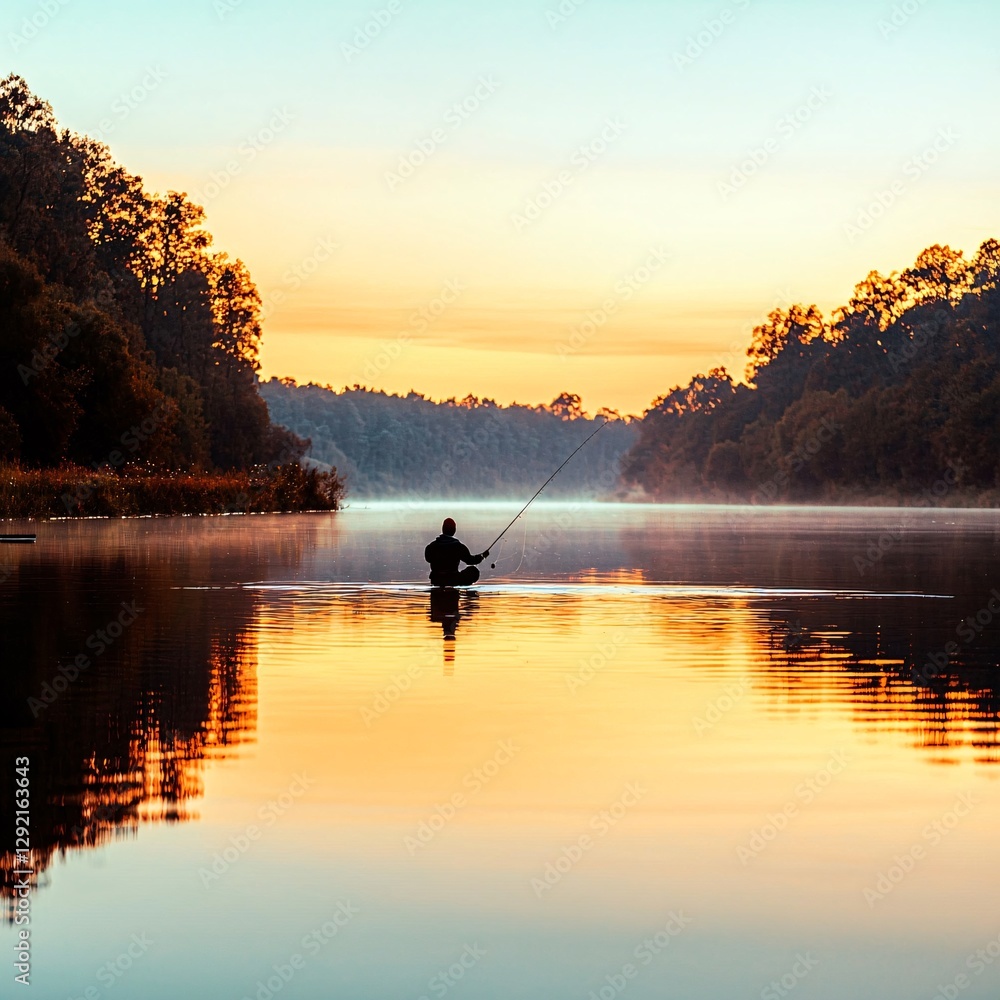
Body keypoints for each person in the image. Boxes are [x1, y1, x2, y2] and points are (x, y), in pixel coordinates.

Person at [424, 518, 489, 587]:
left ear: (443, 529)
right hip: (453, 579)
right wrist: (482, 556)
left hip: (436, 579)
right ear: (454, 530)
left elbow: (428, 559)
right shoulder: (458, 546)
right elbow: (470, 560)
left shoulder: (431, 546)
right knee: (473, 571)